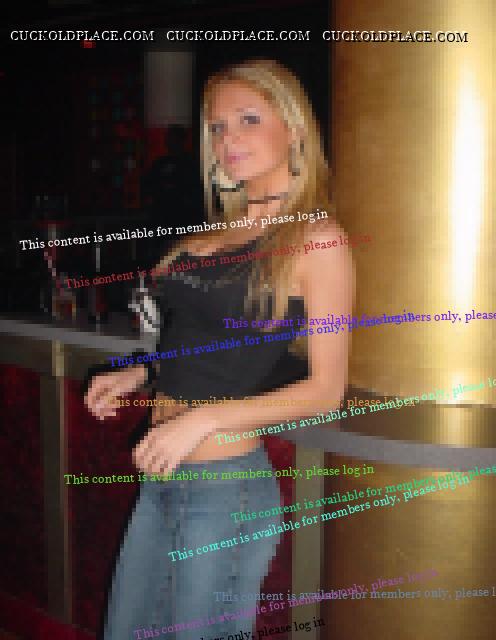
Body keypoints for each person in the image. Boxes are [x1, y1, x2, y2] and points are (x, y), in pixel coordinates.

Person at [85, 58, 353, 640]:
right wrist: (142, 373)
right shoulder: (210, 237)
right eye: (217, 127)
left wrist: (202, 419)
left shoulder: (316, 240)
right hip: (164, 474)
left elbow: (325, 391)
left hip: (226, 487)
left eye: (248, 119)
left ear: (294, 129)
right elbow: (204, 345)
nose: (229, 138)